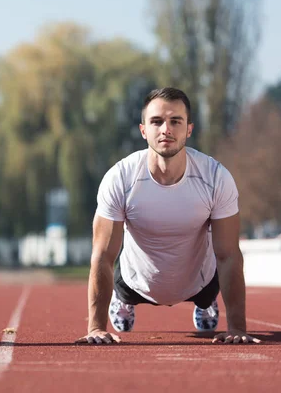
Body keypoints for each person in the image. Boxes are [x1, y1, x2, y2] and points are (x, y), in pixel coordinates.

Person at [76, 87, 261, 345]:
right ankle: (123, 300)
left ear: (189, 129)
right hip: (136, 279)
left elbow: (229, 255)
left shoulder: (216, 178)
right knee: (121, 280)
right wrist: (96, 327)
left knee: (210, 286)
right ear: (143, 131)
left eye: (176, 121)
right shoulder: (120, 178)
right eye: (157, 121)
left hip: (200, 280)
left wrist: (237, 327)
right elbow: (103, 255)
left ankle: (206, 304)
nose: (166, 129)